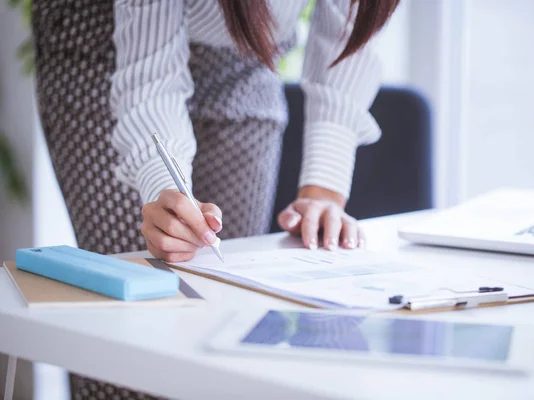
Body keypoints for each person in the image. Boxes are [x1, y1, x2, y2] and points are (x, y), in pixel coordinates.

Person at [111, 0, 400, 263]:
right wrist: (164, 187)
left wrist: (323, 192)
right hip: (117, 49)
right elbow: (149, 82)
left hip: (252, 51)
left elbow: (348, 32)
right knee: (147, 255)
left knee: (233, 267)